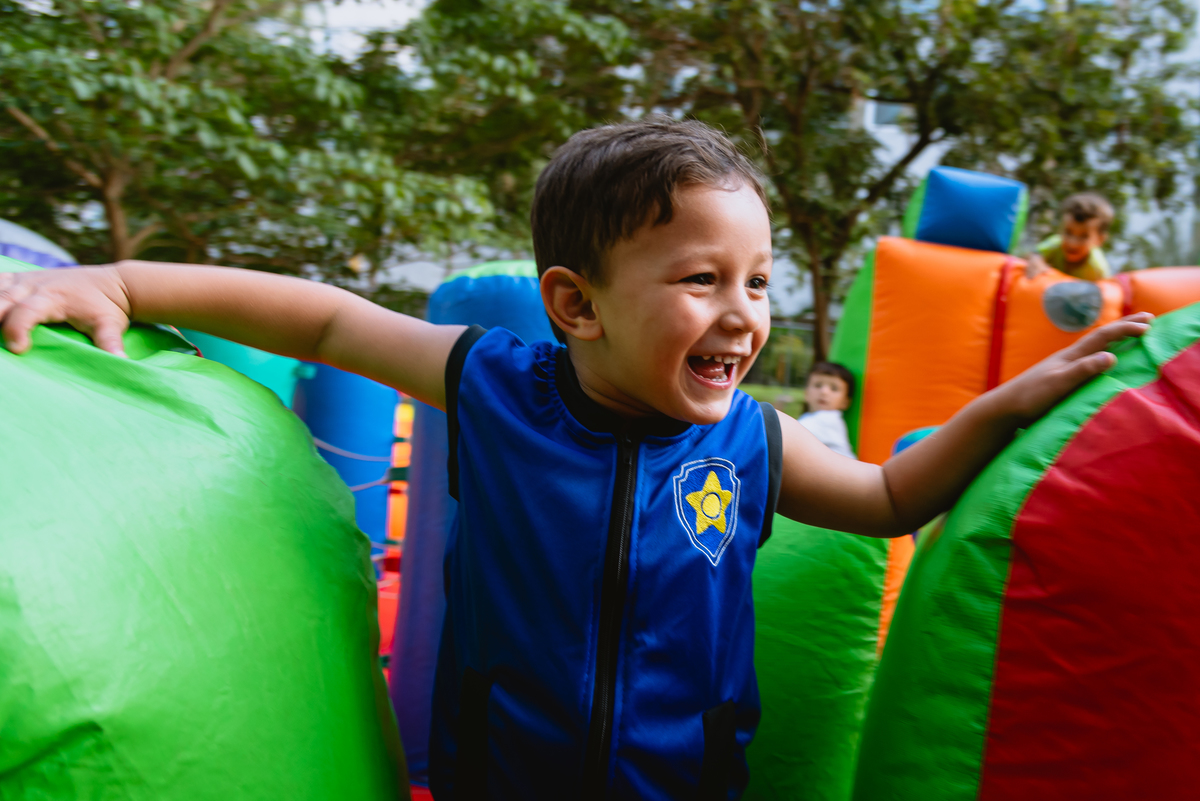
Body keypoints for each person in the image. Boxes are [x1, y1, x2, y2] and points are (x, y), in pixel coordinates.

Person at [0, 118, 1151, 800]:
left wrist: (1011, 406)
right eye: (702, 279)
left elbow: (891, 495)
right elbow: (329, 321)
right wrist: (120, 282)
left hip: (684, 784)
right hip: (503, 777)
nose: (744, 314)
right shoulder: (499, 386)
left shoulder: (752, 438)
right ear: (577, 304)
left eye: (758, 282)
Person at [1025, 192, 1114, 281]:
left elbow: (1105, 286)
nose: (1072, 242)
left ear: (1100, 240)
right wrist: (1036, 261)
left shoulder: (1098, 270)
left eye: (1084, 236)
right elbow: (1035, 253)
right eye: (1068, 232)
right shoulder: (1056, 243)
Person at [798, 361, 856, 459]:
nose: (824, 392)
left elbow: (792, 432)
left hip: (843, 467)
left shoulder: (830, 418)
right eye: (818, 385)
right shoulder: (809, 417)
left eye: (834, 388)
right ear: (806, 393)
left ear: (845, 402)